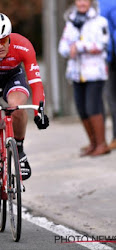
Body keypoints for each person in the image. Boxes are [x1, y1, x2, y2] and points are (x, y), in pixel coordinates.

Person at [0, 12, 49, 218]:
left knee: (16, 106)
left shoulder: (23, 45)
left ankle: (19, 151)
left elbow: (36, 83)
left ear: (10, 37)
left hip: (12, 79)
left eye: (3, 40)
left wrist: (40, 109)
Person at [59, 0, 110, 156]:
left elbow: (102, 44)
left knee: (92, 106)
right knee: (81, 108)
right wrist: (70, 50)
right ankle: (93, 143)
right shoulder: (71, 21)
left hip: (95, 73)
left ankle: (102, 144)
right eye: (79, 0)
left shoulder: (100, 21)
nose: (82, 3)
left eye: (85, 0)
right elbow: (62, 47)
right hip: (76, 72)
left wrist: (79, 47)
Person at [98, 0, 116, 150]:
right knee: (109, 99)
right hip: (106, 58)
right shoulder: (99, 3)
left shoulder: (109, 4)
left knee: (112, 99)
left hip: (111, 57)